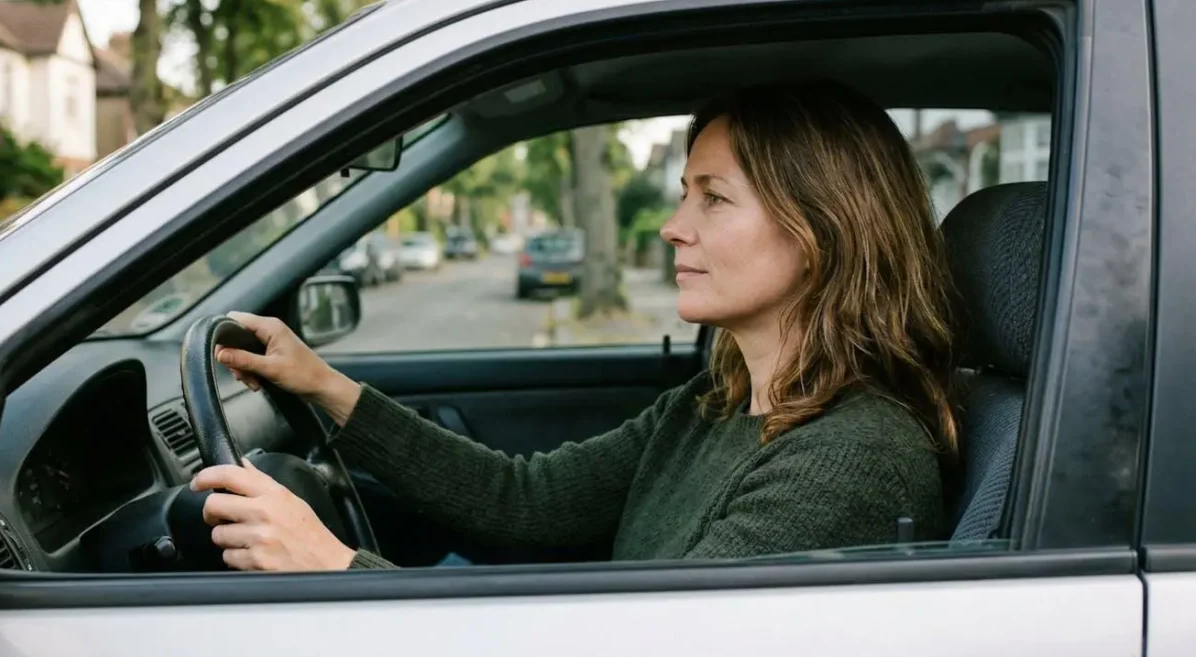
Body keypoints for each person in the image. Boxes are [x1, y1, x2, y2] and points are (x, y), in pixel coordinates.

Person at [190, 81, 960, 572]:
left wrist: (333, 568)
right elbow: (522, 501)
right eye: (683, 194)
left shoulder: (850, 462)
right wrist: (324, 386)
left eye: (714, 198)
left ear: (821, 230)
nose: (672, 227)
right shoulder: (711, 406)